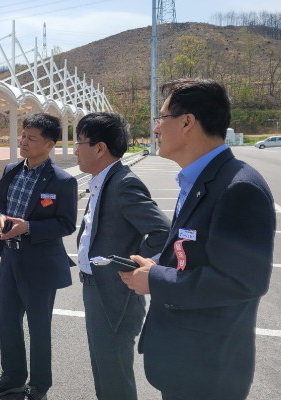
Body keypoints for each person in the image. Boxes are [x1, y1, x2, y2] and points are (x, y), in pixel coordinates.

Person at [119, 78, 276, 400]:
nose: (156, 129)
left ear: (188, 122)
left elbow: (242, 282)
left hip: (208, 371)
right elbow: (193, 253)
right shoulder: (203, 177)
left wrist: (156, 280)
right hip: (188, 361)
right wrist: (156, 266)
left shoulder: (238, 188)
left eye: (161, 119)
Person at [74, 112, 170, 400]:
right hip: (96, 288)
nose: (75, 150)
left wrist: (130, 265)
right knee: (103, 368)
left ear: (100, 148)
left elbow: (162, 232)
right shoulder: (103, 180)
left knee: (114, 374)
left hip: (115, 293)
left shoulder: (123, 183)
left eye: (80, 142)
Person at [0, 113, 78, 400]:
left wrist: (30, 227)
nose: (23, 141)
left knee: (39, 326)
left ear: (49, 145)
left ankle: (39, 385)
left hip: (40, 262)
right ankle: (11, 377)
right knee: (8, 321)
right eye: (23, 136)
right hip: (10, 257)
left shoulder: (63, 181)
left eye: (31, 138)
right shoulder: (12, 170)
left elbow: (66, 224)